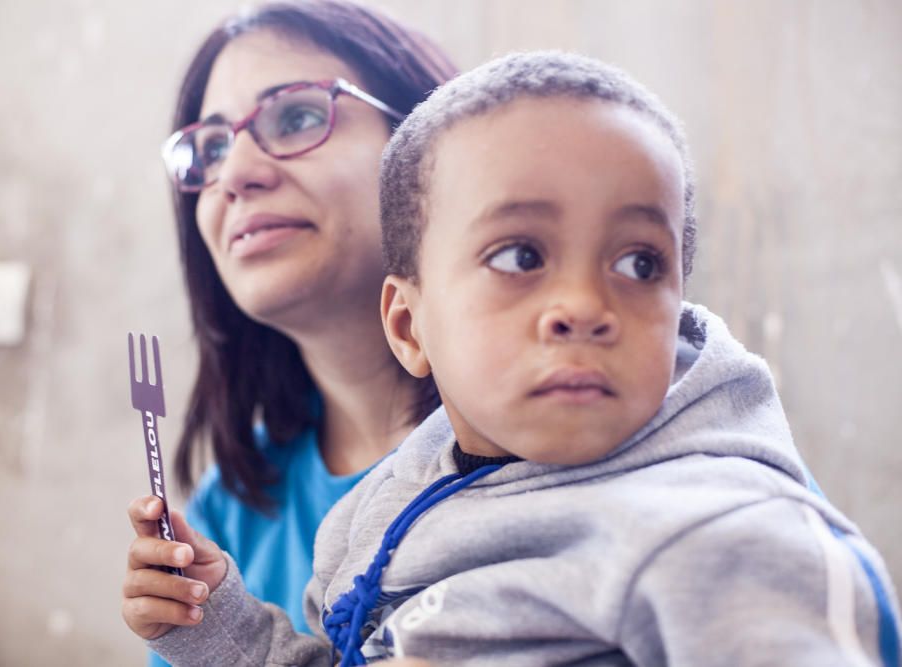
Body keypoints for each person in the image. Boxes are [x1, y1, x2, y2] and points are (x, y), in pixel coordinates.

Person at [138, 51, 901, 666]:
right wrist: (226, 630)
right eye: (521, 254)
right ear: (410, 321)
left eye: (639, 264)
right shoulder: (363, 514)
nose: (584, 303)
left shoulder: (723, 529)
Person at [120, 1, 457, 664]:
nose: (235, 175)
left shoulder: (555, 433)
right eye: (211, 147)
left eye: (298, 116)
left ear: (429, 142)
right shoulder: (223, 518)